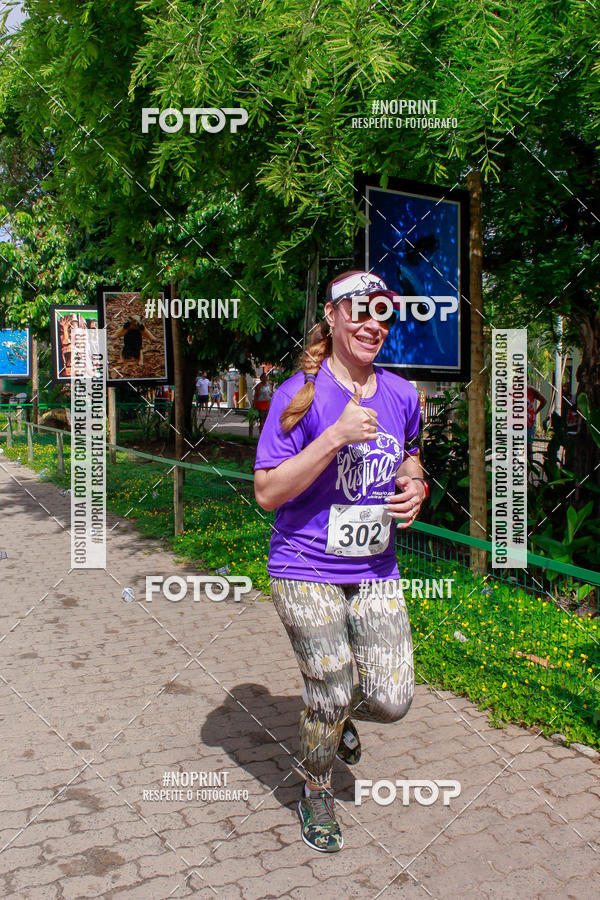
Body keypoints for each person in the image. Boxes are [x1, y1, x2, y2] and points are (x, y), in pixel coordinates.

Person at [254, 270, 427, 854]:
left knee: (392, 698)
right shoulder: (297, 395)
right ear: (331, 317)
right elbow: (268, 493)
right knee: (329, 682)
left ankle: (334, 715)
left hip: (376, 570)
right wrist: (333, 437)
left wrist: (415, 483)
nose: (372, 323)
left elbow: (410, 458)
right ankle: (316, 789)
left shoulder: (403, 395)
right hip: (304, 564)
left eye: (382, 313)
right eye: (359, 311)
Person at [527, 385, 545, 452]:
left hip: (528, 423)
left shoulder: (531, 390)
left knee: (528, 448)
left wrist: (534, 413)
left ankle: (530, 462)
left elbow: (544, 401)